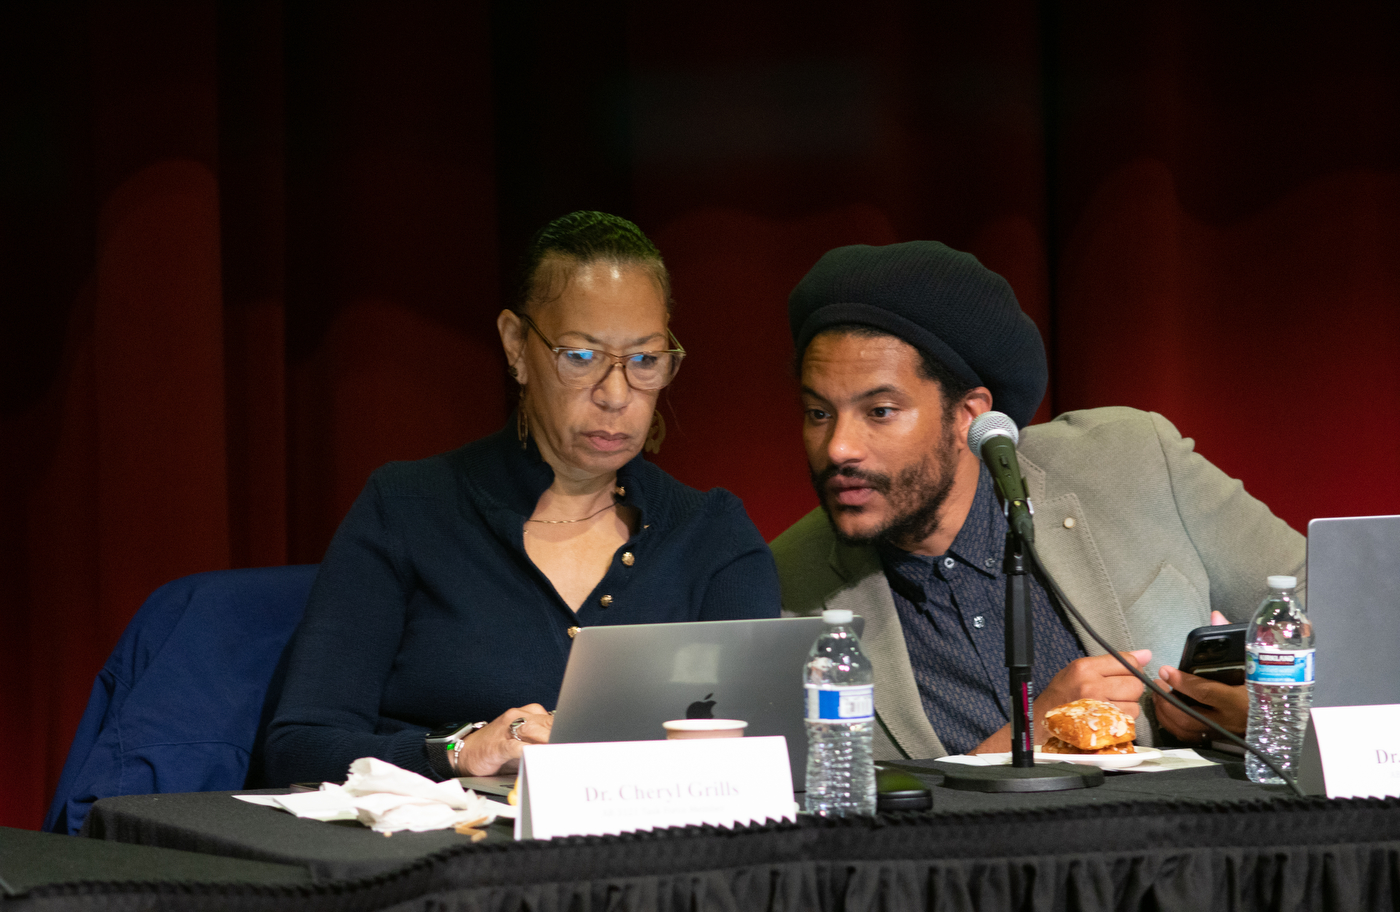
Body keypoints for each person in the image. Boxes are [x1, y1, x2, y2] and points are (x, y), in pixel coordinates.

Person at [265, 212, 780, 785]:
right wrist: (457, 755)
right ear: (516, 345)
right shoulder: (408, 508)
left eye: (644, 360)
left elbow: (763, 754)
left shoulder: (712, 534)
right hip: (444, 857)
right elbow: (299, 746)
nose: (616, 395)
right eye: (581, 357)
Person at [770, 240, 1304, 759]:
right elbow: (832, 806)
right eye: (819, 413)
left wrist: (1266, 712)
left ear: (969, 416)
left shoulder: (1132, 458)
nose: (838, 447)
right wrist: (1025, 738)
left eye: (880, 411)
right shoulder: (787, 588)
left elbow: (1347, 612)